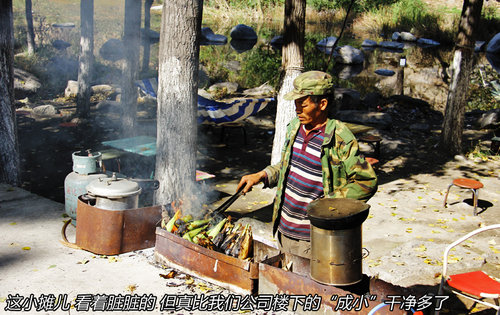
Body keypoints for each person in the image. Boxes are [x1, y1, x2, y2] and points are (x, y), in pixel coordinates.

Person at [237, 71, 377, 269]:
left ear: (322, 104)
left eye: (303, 104)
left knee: (305, 292)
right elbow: (287, 166)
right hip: (284, 229)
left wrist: (328, 206)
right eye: (295, 104)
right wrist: (261, 175)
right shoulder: (295, 127)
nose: (297, 110)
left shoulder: (340, 138)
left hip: (311, 239)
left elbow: (366, 182)